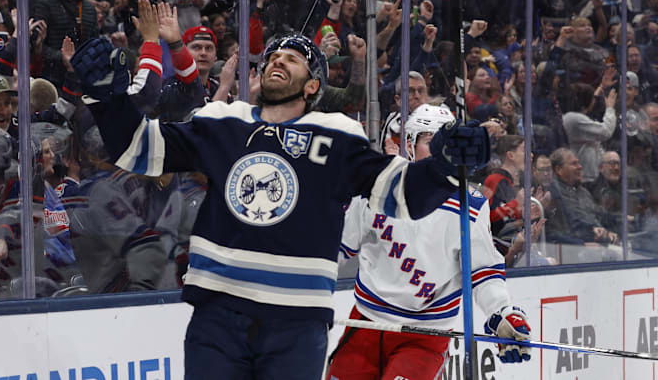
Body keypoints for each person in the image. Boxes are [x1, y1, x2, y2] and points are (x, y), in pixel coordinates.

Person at [69, 24, 491, 379]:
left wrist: (445, 167)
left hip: (297, 324)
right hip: (217, 315)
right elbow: (140, 149)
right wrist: (107, 99)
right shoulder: (223, 123)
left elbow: (402, 196)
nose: (278, 60)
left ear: (312, 86)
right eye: (273, 55)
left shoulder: (338, 135)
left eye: (293, 57)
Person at [327, 104, 531, 380]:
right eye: (430, 142)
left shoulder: (470, 206)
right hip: (364, 323)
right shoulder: (379, 187)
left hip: (423, 337)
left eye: (445, 143)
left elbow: (483, 270)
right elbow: (334, 248)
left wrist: (501, 313)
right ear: (409, 144)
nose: (440, 152)